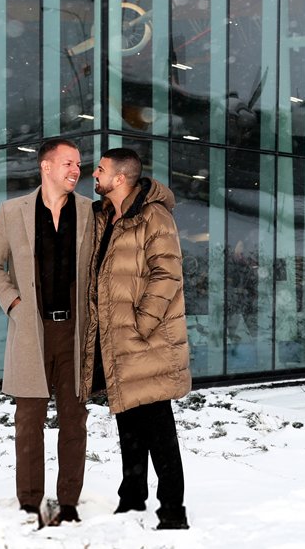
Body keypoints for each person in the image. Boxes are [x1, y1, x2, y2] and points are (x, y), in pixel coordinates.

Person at [0, 137, 95, 527]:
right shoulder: (14, 212)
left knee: (74, 420)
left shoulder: (91, 213)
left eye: (78, 164)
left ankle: (69, 503)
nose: (76, 170)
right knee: (28, 421)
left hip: (74, 333)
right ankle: (30, 504)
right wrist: (13, 303)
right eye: (68, 163)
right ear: (46, 166)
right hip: (31, 332)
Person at [84, 146, 192, 531]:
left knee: (158, 426)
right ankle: (132, 499)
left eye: (100, 170)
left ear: (120, 178)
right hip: (115, 341)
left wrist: (141, 323)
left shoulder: (153, 216)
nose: (93, 175)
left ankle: (173, 512)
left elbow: (167, 275)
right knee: (127, 421)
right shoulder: (103, 217)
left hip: (146, 340)